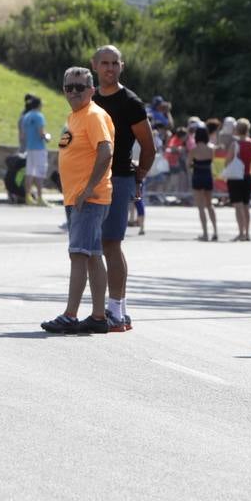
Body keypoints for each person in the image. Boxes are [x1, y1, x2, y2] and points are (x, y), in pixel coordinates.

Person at [40, 66, 114, 334]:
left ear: (91, 90)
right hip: (78, 198)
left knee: (79, 254)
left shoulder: (93, 115)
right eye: (69, 87)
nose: (74, 92)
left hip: (89, 198)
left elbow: (105, 151)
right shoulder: (74, 117)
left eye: (80, 87)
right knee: (92, 255)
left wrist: (87, 189)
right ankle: (98, 316)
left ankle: (70, 315)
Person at [91, 45, 156, 330]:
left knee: (111, 243)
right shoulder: (89, 98)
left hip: (118, 179)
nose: (110, 68)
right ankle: (117, 309)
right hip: (91, 180)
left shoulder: (131, 102)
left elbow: (149, 147)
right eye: (105, 63)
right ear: (94, 65)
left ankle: (116, 311)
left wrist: (138, 177)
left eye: (114, 63)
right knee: (94, 246)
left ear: (122, 66)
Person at [226, 118, 251, 240]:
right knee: (246, 205)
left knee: (238, 206)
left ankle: (241, 232)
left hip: (236, 177)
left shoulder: (235, 145)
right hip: (248, 175)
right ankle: (247, 233)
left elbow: (228, 160)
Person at [188, 125, 218, 241]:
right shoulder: (211, 149)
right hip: (207, 176)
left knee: (201, 207)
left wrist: (193, 166)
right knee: (209, 205)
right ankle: (215, 231)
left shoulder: (194, 150)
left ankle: (205, 233)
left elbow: (188, 164)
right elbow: (212, 161)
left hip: (197, 176)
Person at [19, 95, 49, 205]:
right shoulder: (39, 116)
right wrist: (47, 137)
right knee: (40, 173)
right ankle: (40, 198)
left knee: (29, 172)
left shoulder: (26, 116)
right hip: (39, 148)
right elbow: (41, 133)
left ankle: (28, 197)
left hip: (29, 147)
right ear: (39, 105)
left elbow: (23, 135)